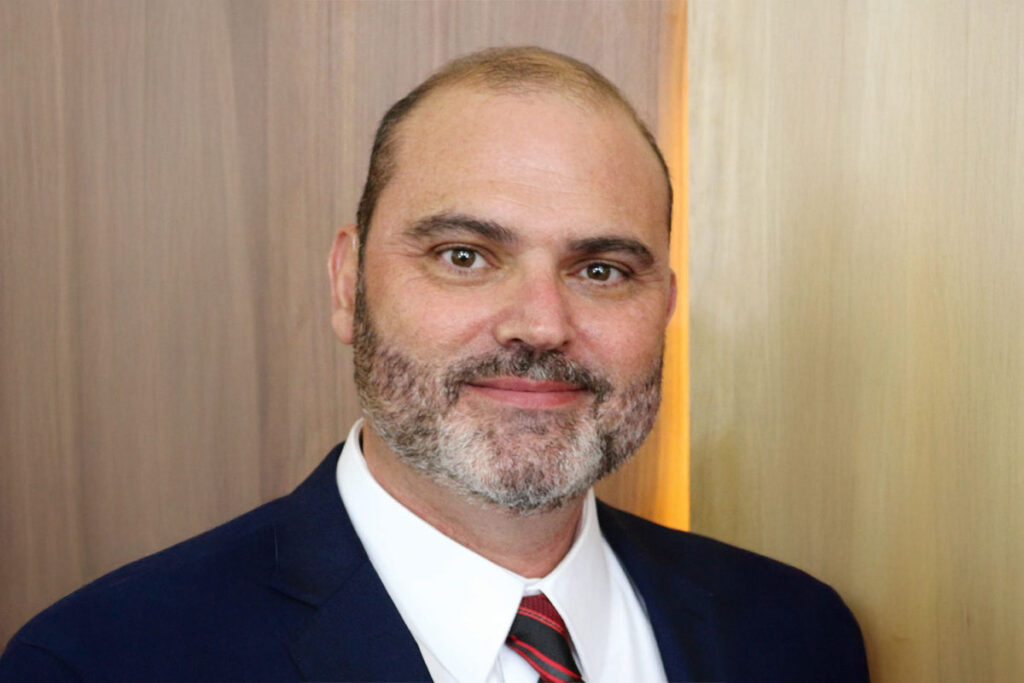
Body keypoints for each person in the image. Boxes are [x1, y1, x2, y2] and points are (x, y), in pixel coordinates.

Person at [0, 47, 869, 682]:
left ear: (665, 306)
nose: (540, 325)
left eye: (602, 270)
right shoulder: (101, 661)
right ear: (348, 284)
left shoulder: (795, 634)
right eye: (465, 255)